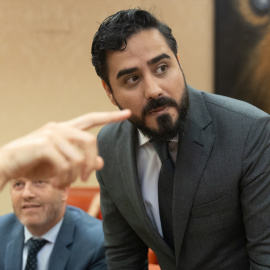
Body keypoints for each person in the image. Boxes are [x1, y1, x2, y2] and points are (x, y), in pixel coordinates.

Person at [91, 8, 270, 269]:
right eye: (132, 79)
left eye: (162, 67)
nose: (153, 90)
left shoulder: (250, 131)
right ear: (109, 91)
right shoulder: (109, 146)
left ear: (178, 60)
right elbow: (123, 256)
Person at [0, 110, 131, 270]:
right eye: (18, 184)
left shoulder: (99, 243)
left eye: (39, 182)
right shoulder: (1, 232)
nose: (27, 194)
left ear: (64, 191)